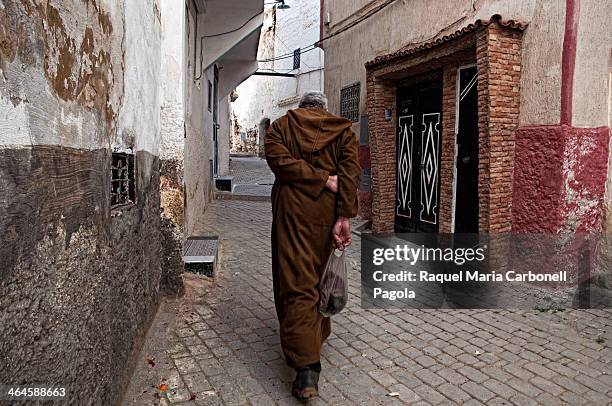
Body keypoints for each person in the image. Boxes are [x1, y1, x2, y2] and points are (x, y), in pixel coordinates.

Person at [264, 91, 360, 400]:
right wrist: (344, 215)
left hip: (291, 211)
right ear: (323, 109)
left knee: (296, 280)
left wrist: (316, 178)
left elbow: (279, 162)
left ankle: (306, 370)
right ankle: (312, 340)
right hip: (327, 212)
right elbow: (350, 173)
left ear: (301, 107)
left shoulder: (280, 127)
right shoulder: (343, 131)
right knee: (321, 277)